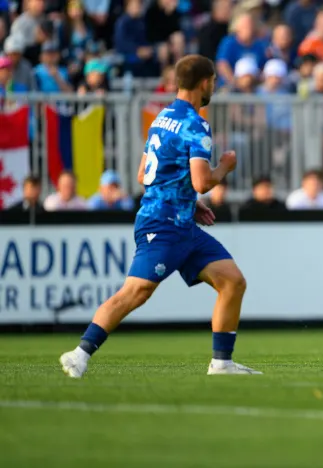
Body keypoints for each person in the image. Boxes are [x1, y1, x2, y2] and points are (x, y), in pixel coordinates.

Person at [59, 55, 261, 378]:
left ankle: (222, 363)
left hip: (181, 222)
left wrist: (190, 203)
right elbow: (202, 182)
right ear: (204, 83)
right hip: (163, 224)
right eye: (212, 82)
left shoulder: (161, 117)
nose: (213, 87)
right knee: (135, 291)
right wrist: (225, 166)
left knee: (233, 282)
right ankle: (80, 353)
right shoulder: (197, 124)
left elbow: (144, 174)